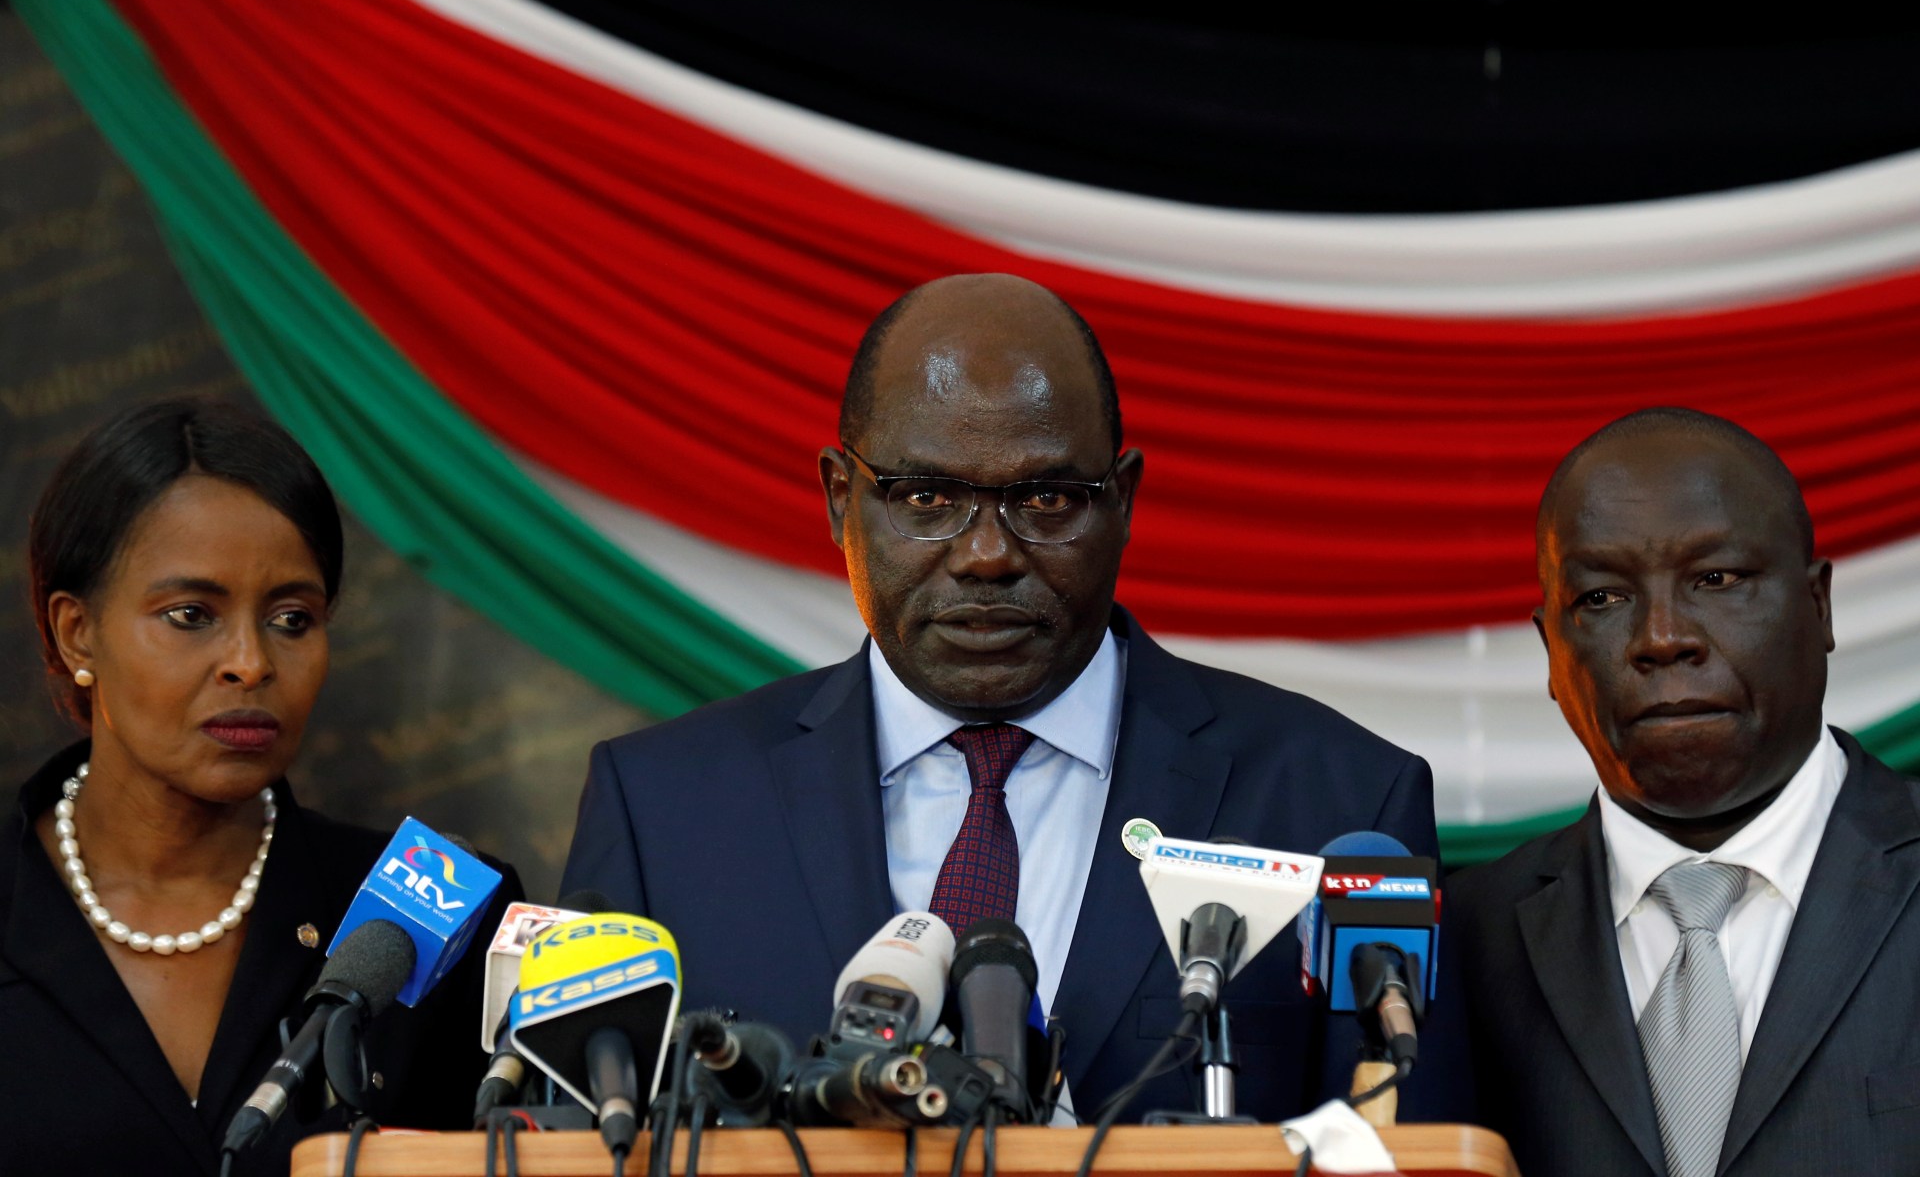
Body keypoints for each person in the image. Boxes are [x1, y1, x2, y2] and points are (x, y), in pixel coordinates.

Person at [563, 273, 1458, 1122]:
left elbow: (1415, 1147)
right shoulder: (662, 812)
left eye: (1047, 498)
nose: (987, 555)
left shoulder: (1336, 803)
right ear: (840, 500)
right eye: (925, 497)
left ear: (1123, 501)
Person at [0, 399, 520, 1176]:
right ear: (78, 632)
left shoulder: (439, 912)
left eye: (292, 619)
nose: (250, 662)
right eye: (190, 614)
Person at [1450, 407, 1920, 1176]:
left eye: (1716, 579)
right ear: (1551, 651)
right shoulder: (1465, 944)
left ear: (1819, 607)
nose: (1662, 638)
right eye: (1602, 598)